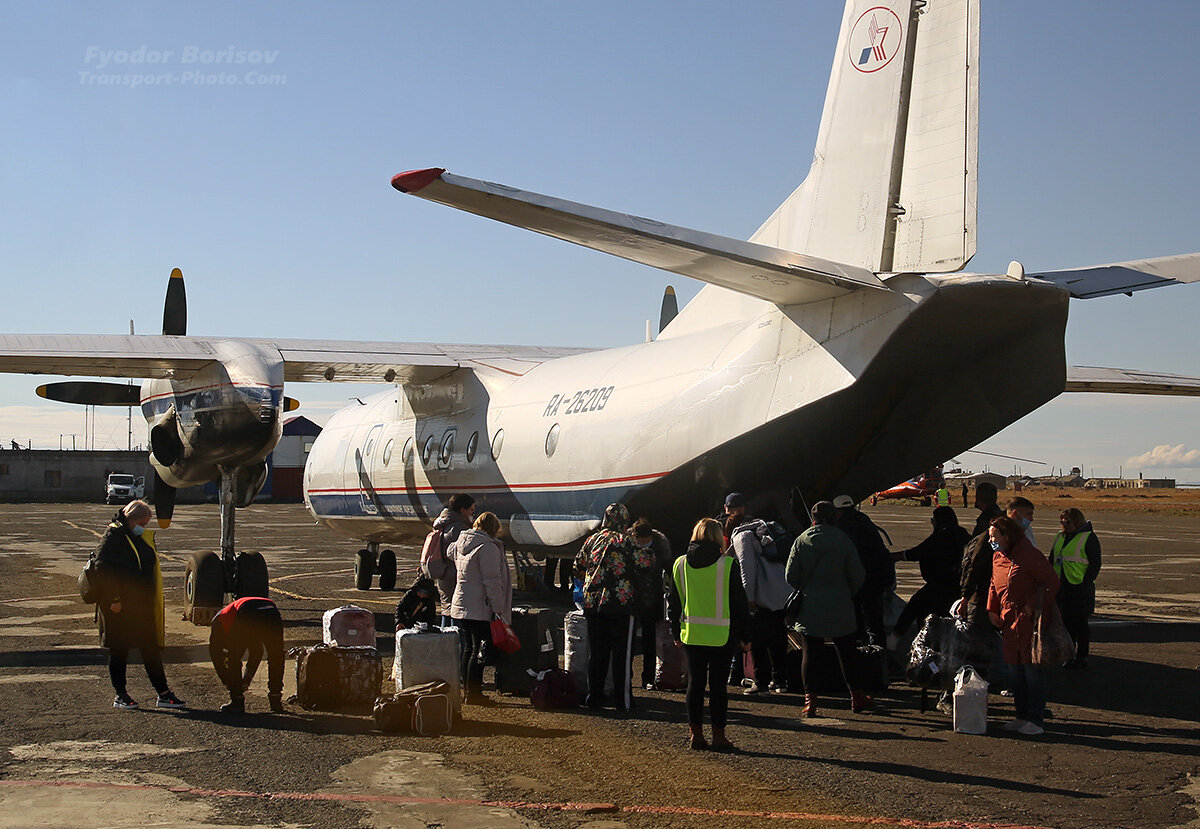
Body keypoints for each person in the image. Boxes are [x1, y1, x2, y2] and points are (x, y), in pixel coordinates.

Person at [666, 517, 751, 751]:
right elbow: (739, 604)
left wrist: (675, 631)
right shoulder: (728, 565)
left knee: (695, 684)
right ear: (718, 537)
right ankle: (719, 735)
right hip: (722, 635)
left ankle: (696, 734)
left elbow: (673, 602)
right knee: (718, 688)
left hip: (692, 634)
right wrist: (745, 636)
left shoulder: (680, 564)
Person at [93, 500, 185, 710]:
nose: (144, 526)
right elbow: (102, 569)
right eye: (142, 522)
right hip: (119, 607)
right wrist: (114, 599)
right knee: (119, 651)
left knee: (150, 649)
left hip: (139, 605)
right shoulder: (114, 535)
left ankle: (163, 693)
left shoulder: (134, 535)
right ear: (130, 519)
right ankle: (121, 694)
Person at [787, 501, 869, 716]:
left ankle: (810, 701)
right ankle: (856, 697)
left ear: (813, 519)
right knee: (847, 652)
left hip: (810, 605)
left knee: (811, 654)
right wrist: (845, 592)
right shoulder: (844, 541)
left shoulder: (801, 541)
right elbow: (858, 575)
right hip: (840, 604)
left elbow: (790, 576)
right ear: (835, 518)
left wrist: (807, 589)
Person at [576, 503, 653, 712]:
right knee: (622, 655)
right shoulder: (626, 540)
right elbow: (645, 563)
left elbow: (578, 566)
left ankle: (595, 699)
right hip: (621, 604)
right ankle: (623, 701)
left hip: (593, 604)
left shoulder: (592, 539)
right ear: (625, 520)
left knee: (598, 654)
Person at [986, 515, 1059, 736]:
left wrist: (1031, 606)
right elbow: (993, 583)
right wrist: (992, 609)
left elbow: (1051, 581)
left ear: (1007, 535)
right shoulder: (998, 556)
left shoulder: (1028, 555)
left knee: (1031, 670)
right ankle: (1021, 715)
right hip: (1008, 621)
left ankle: (1035, 719)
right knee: (1014, 670)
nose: (991, 540)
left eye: (994, 536)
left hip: (1028, 621)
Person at [447, 511, 511, 706]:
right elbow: (492, 581)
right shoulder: (488, 548)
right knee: (479, 650)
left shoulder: (461, 543)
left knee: (468, 649)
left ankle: (466, 689)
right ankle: (474, 692)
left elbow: (449, 552)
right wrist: (498, 608)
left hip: (461, 603)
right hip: (479, 607)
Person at [728, 516, 792, 694]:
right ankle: (780, 681)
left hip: (762, 595)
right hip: (782, 591)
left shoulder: (741, 536)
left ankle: (761, 682)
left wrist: (748, 598)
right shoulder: (764, 530)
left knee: (758, 640)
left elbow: (746, 567)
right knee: (779, 637)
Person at [891, 506, 969, 646]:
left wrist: (892, 557)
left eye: (933, 520)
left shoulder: (940, 538)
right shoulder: (962, 535)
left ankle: (896, 638)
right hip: (959, 586)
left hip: (940, 586)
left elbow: (916, 553)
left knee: (916, 605)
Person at [833, 494, 893, 648]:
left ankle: (864, 654)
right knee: (874, 622)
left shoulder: (843, 526)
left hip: (861, 580)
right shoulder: (863, 519)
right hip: (877, 578)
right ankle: (879, 657)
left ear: (838, 510)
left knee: (860, 620)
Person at [209, 596, 285, 714]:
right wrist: (246, 679)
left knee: (233, 656)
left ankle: (237, 701)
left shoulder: (218, 622)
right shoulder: (228, 617)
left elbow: (216, 655)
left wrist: (227, 681)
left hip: (247, 611)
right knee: (276, 656)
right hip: (271, 611)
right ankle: (275, 699)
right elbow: (257, 652)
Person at [1049, 508, 1102, 669]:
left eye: (1068, 522)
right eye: (1062, 522)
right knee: (1065, 624)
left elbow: (1095, 563)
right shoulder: (1060, 536)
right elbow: (1052, 560)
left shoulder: (1088, 537)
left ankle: (1082, 656)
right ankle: (1068, 655)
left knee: (1080, 625)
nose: (1065, 525)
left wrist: (1086, 581)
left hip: (1079, 587)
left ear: (1077, 521)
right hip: (1062, 587)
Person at [631, 518, 673, 690]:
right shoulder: (628, 543)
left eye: (645, 542)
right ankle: (628, 677)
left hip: (653, 599)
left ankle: (648, 678)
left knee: (649, 641)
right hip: (632, 599)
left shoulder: (660, 544)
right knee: (630, 641)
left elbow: (670, 568)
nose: (642, 544)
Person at [430, 494, 476, 621]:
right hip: (454, 574)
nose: (473, 513)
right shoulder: (458, 528)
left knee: (447, 608)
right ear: (463, 510)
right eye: (471, 510)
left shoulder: (445, 523)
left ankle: (448, 637)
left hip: (445, 574)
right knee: (455, 612)